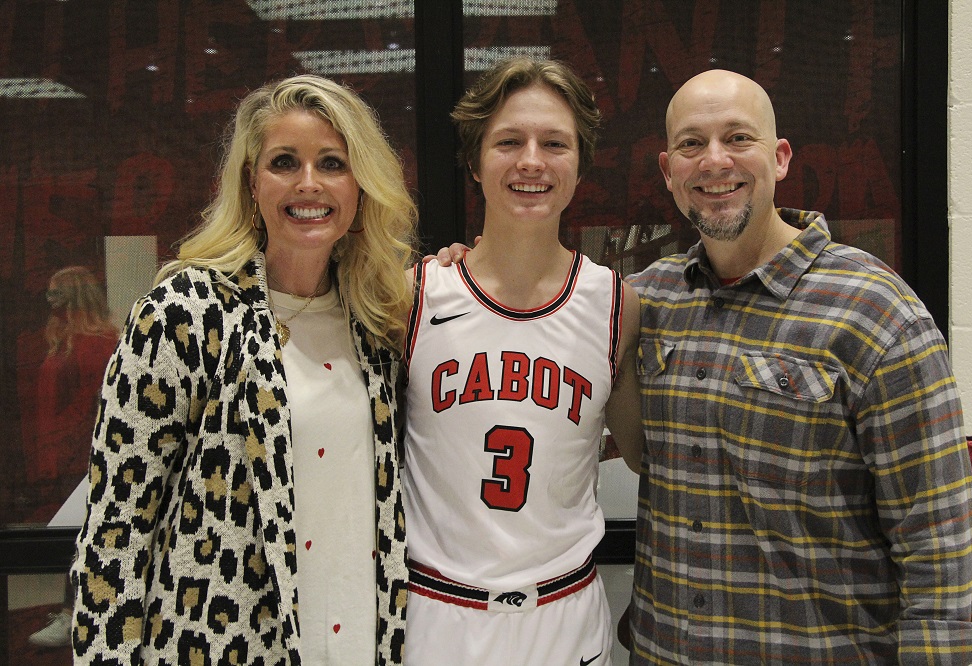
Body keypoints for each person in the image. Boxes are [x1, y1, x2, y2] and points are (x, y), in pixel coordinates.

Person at [625, 69, 972, 664]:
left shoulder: (874, 312)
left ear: (781, 156)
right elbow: (538, 313)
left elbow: (940, 543)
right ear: (669, 173)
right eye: (692, 145)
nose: (715, 161)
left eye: (738, 138)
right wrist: (463, 266)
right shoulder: (646, 302)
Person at [70, 74, 416, 665]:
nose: (309, 183)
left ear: (360, 185)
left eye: (332, 162)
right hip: (222, 643)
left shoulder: (376, 323)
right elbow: (116, 531)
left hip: (359, 638)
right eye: (285, 162)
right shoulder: (187, 312)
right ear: (251, 183)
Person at [402, 57, 644, 666]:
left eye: (554, 143)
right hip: (437, 615)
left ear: (580, 164)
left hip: (566, 618)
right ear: (475, 162)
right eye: (508, 141)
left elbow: (642, 454)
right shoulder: (413, 295)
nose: (531, 160)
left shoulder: (617, 304)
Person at [27, 266, 118, 650]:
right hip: (58, 450)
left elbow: (89, 410)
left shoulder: (98, 344)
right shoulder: (63, 339)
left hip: (80, 453)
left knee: (87, 534)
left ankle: (75, 613)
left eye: (56, 295)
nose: (50, 304)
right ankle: (72, 611)